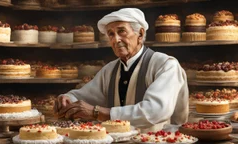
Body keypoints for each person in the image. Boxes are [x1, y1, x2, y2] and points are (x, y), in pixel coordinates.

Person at [54, 8, 189, 132]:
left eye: (121, 31)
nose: (116, 39)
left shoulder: (165, 65)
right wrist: (67, 99)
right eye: (111, 34)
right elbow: (86, 97)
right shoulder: (110, 69)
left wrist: (97, 113)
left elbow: (155, 110)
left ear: (140, 34)